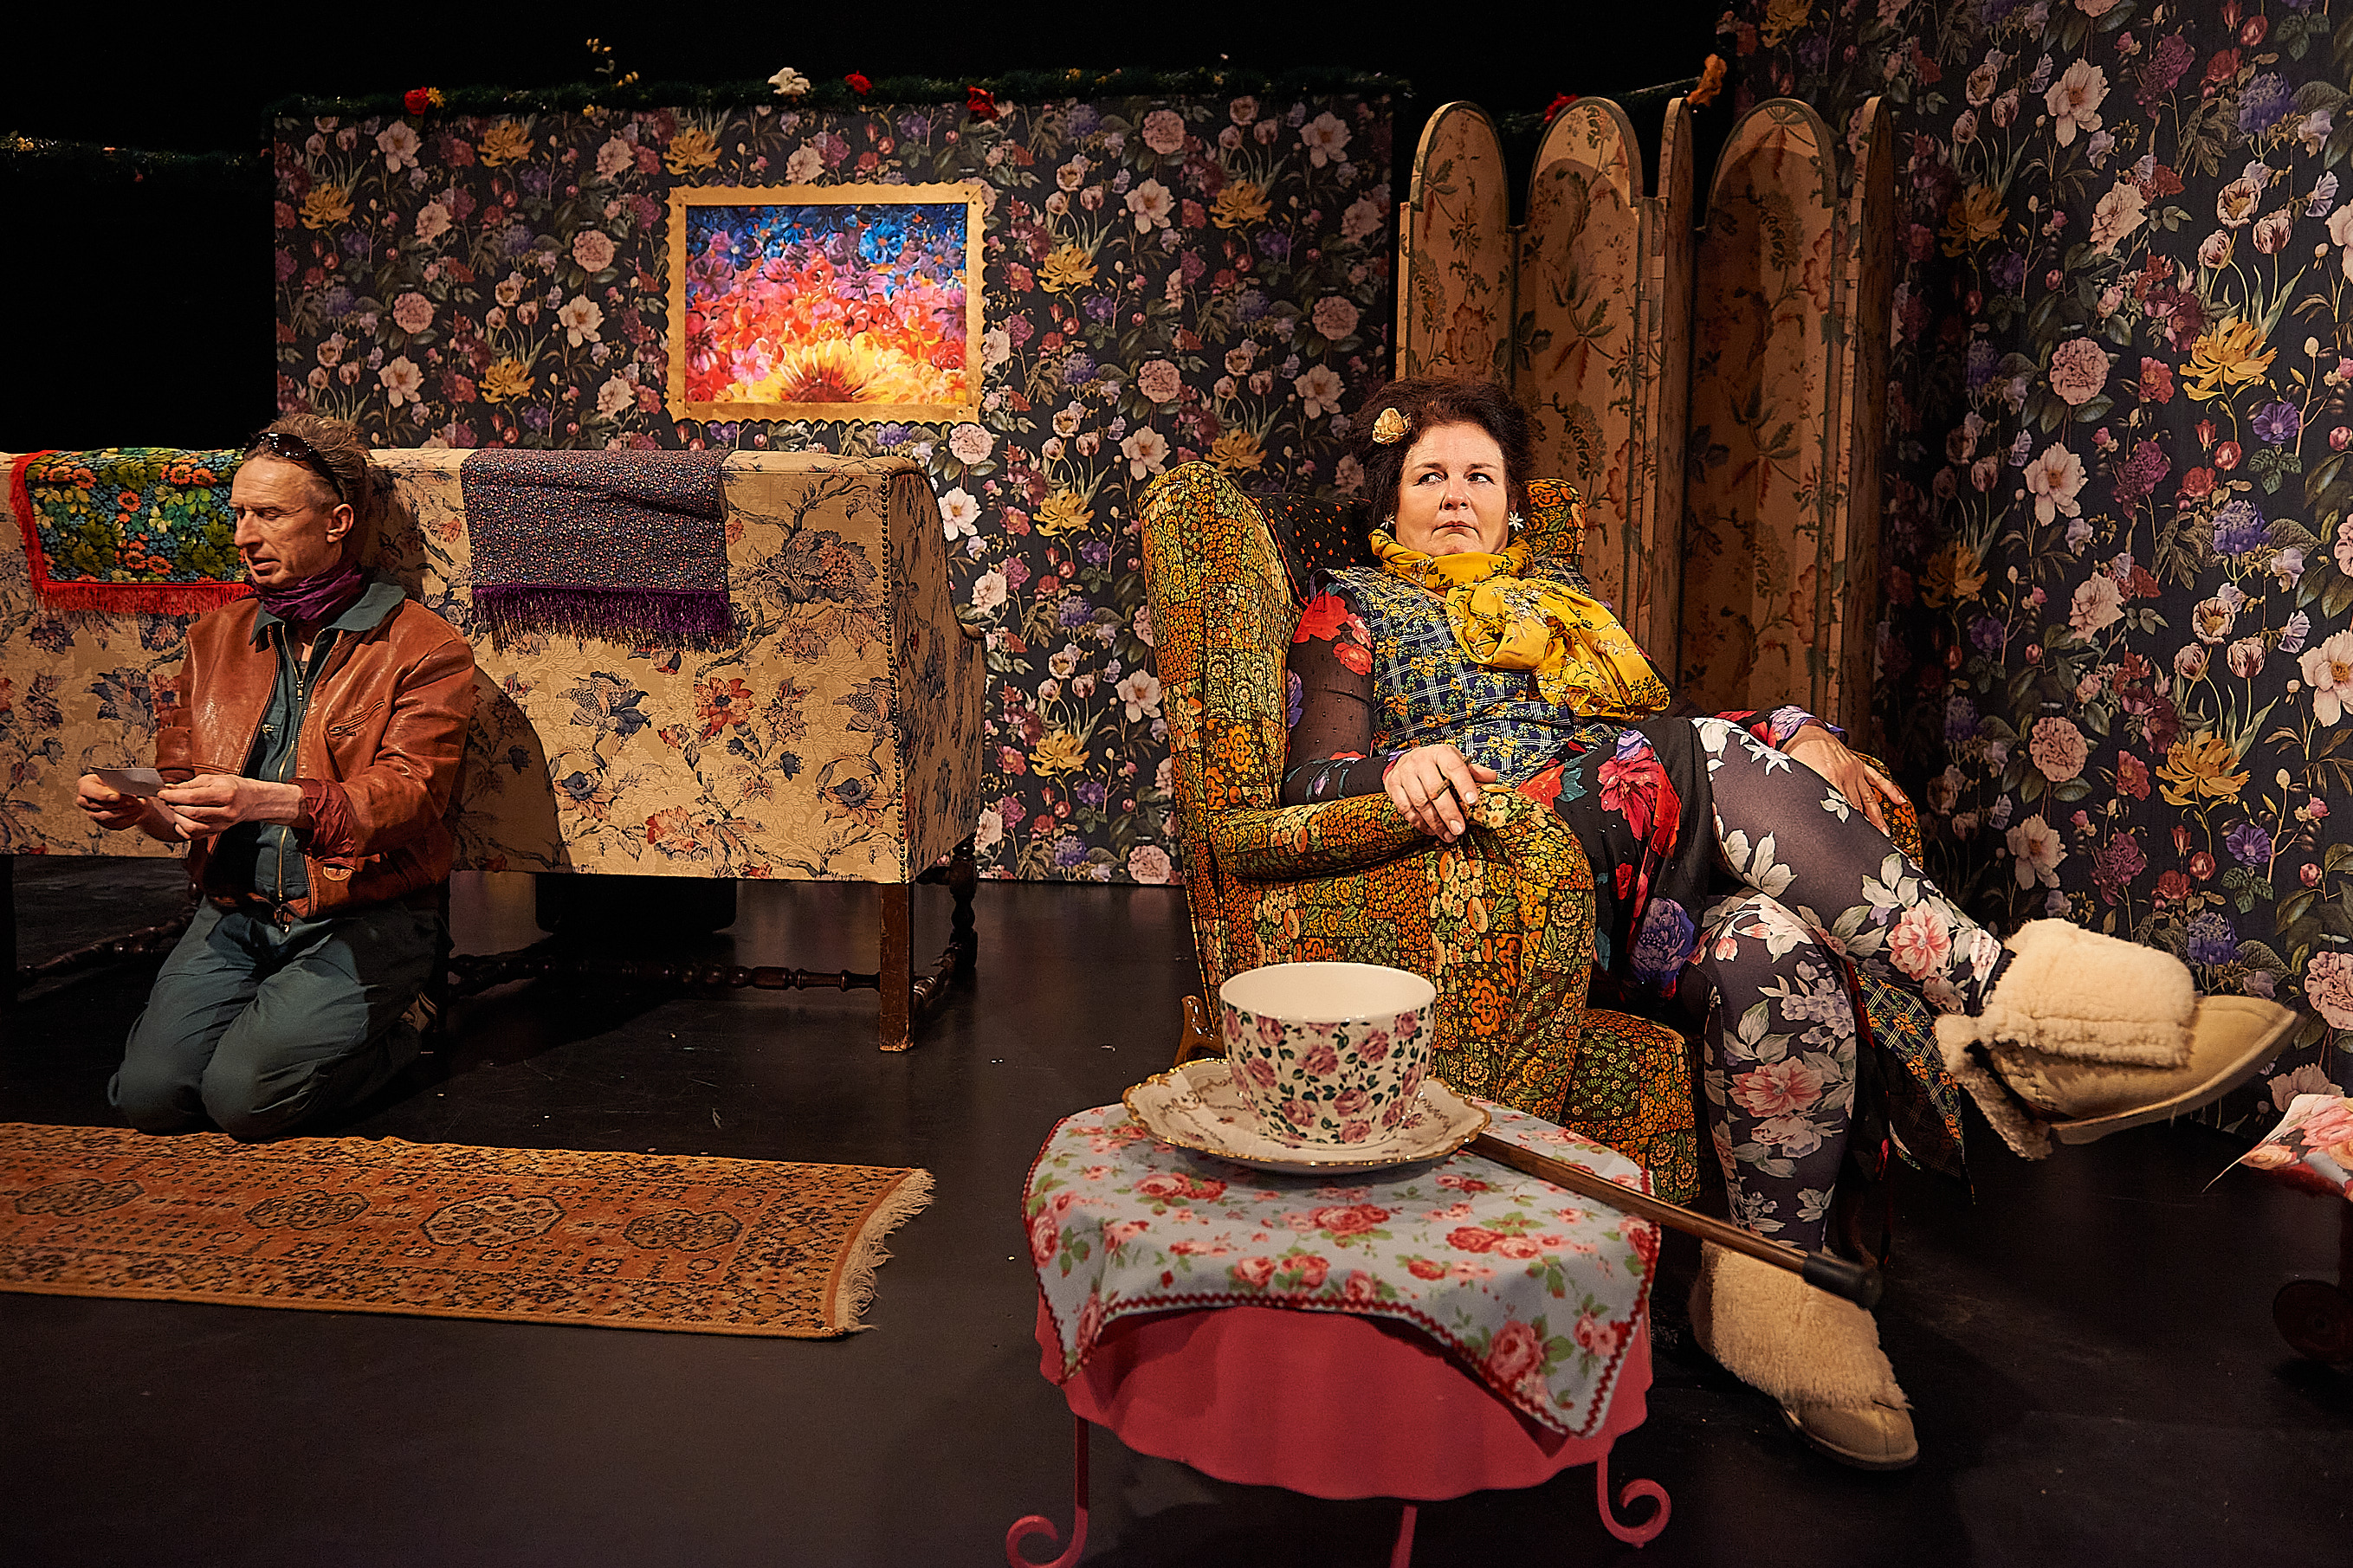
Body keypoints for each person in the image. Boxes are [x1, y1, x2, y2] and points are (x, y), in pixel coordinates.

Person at [1280, 377, 2296, 1468]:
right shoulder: (1352, 606)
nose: (1454, 495)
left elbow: (1655, 730)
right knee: (1705, 755)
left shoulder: (1561, 610)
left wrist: (1793, 728)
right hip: (1488, 874)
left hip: (1630, 881)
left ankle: (1773, 1297)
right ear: (1389, 503)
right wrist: (1394, 769)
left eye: (1478, 475)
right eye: (1428, 475)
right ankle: (2011, 1010)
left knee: (1774, 944)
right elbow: (1306, 778)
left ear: (1511, 503)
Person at [76, 416, 475, 1142]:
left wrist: (268, 799)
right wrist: (141, 808)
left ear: (336, 523)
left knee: (243, 1099)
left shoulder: (422, 645)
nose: (244, 537)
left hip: (363, 914)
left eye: (269, 514)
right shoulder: (215, 638)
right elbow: (182, 794)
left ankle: (407, 1021)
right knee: (150, 1098)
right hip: (237, 910)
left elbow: (410, 795)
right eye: (239, 514)